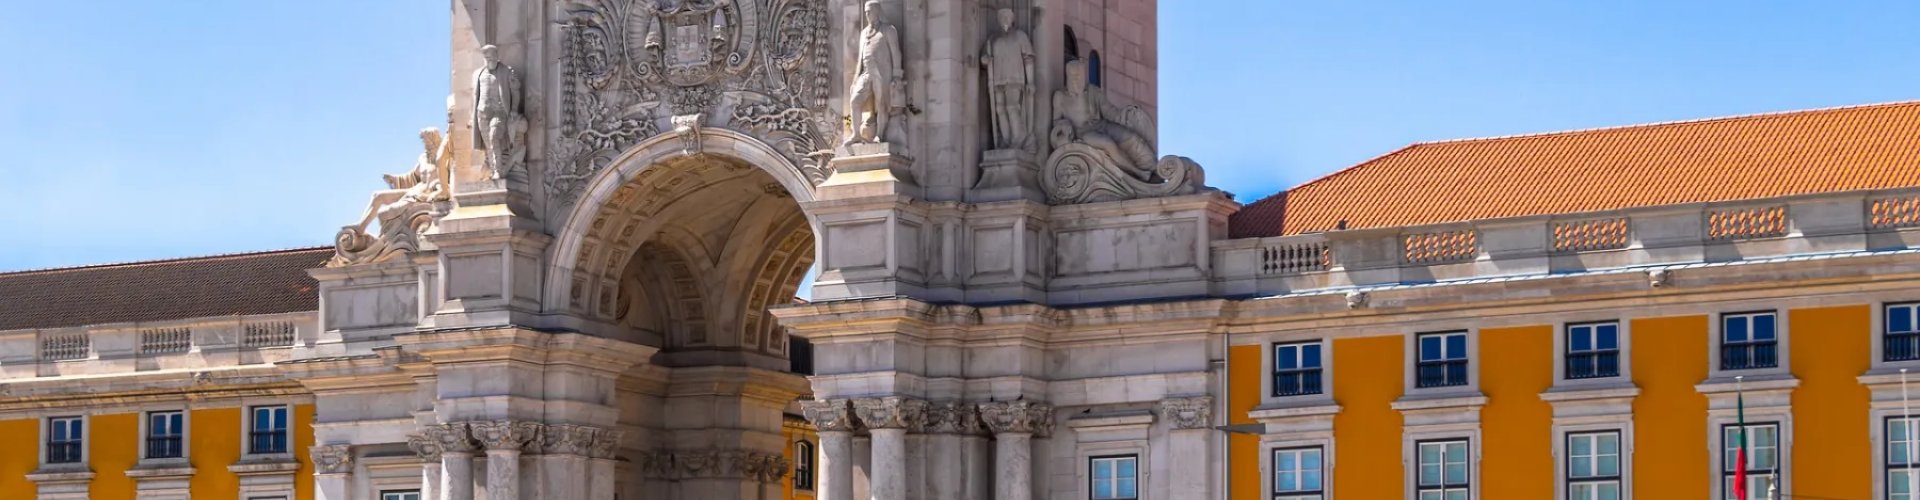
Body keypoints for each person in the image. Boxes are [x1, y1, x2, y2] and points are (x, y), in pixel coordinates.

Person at [843, 0, 904, 147]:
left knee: (881, 104)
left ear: (877, 11)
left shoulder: (889, 30)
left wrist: (897, 76)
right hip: (867, 73)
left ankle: (880, 135)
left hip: (883, 73)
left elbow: (896, 53)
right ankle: (856, 134)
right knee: (855, 101)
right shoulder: (864, 33)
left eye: (869, 11)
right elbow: (860, 59)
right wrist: (855, 79)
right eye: (865, 12)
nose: (867, 14)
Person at [981, 8, 1035, 150]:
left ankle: (1018, 137)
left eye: (1007, 16)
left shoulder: (1020, 36)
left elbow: (1028, 59)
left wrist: (1031, 81)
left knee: (1012, 107)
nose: (1004, 19)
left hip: (1015, 78)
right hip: (997, 79)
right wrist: (985, 59)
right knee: (1000, 109)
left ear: (1012, 19)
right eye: (1002, 17)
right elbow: (984, 56)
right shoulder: (992, 39)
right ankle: (1006, 139)